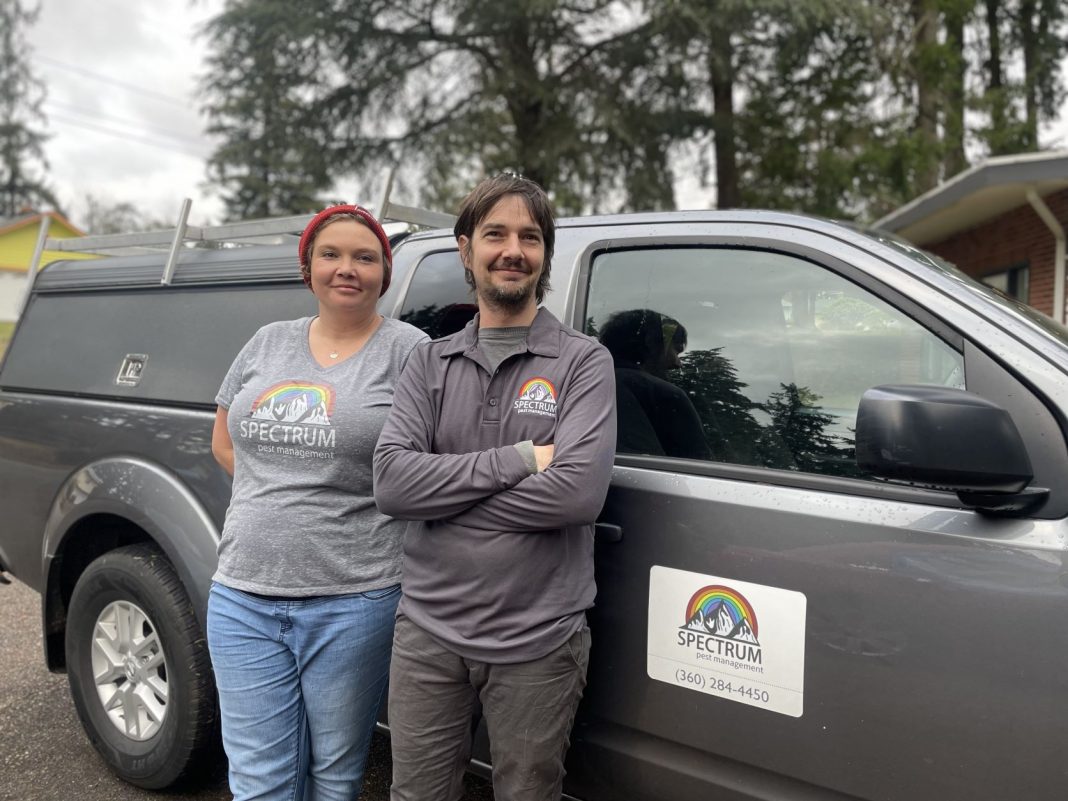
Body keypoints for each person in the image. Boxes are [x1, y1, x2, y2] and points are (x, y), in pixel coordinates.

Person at [373, 174, 617, 801]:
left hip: (537, 642)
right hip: (428, 634)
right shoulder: (427, 361)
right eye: (495, 234)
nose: (514, 250)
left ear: (545, 255)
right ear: (465, 248)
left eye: (530, 237)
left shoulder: (584, 362)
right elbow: (393, 485)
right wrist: (515, 460)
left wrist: (446, 499)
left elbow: (575, 496)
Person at [208, 204, 427, 801]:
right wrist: (279, 492)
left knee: (335, 775)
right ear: (308, 267)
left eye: (365, 256)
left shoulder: (410, 351)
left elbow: (430, 464)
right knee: (258, 779)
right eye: (331, 254)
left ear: (385, 270)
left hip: (355, 600)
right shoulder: (265, 343)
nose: (347, 268)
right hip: (241, 596)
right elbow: (223, 439)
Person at [599, 308, 712, 460]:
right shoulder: (666, 395)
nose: (678, 364)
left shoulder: (584, 386)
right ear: (652, 345)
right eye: (675, 351)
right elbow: (700, 467)